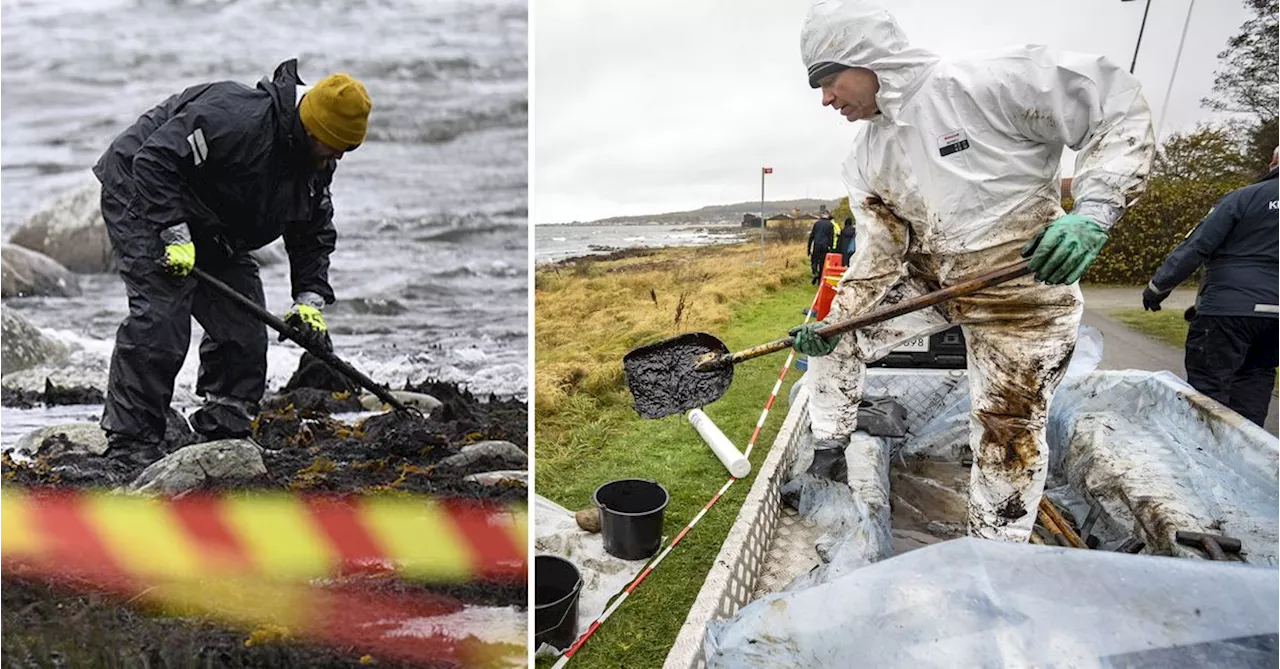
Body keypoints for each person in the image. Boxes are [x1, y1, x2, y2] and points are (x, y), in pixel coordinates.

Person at [790, 0, 1154, 543]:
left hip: (1026, 293)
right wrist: (836, 320)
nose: (825, 99)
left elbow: (1113, 107)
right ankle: (829, 453)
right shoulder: (867, 158)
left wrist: (1095, 212)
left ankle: (994, 554)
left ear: (866, 59)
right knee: (836, 339)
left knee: (1008, 432)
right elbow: (879, 252)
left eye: (827, 79)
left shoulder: (985, 84)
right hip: (936, 282)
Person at [92, 59, 372, 467]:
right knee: (162, 317)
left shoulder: (316, 159)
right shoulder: (235, 119)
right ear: (310, 128)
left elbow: (312, 231)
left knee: (243, 328)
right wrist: (174, 234)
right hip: (143, 194)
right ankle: (130, 440)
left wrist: (308, 301)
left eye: (345, 151)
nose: (336, 160)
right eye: (333, 147)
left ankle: (223, 422)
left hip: (213, 220)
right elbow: (153, 162)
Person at [1142, 146, 1280, 428]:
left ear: (1274, 162)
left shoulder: (1244, 198)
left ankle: (1201, 455)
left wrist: (1157, 288)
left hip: (1227, 310)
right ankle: (1246, 456)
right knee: (1257, 379)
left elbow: (1197, 245)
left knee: (1208, 390)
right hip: (1275, 318)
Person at [807, 210, 836, 284]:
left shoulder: (816, 224)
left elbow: (811, 236)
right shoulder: (830, 225)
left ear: (822, 215)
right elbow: (831, 238)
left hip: (816, 245)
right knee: (822, 263)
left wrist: (809, 248)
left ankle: (815, 272)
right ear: (828, 216)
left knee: (814, 261)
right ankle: (820, 280)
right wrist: (831, 248)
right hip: (825, 246)